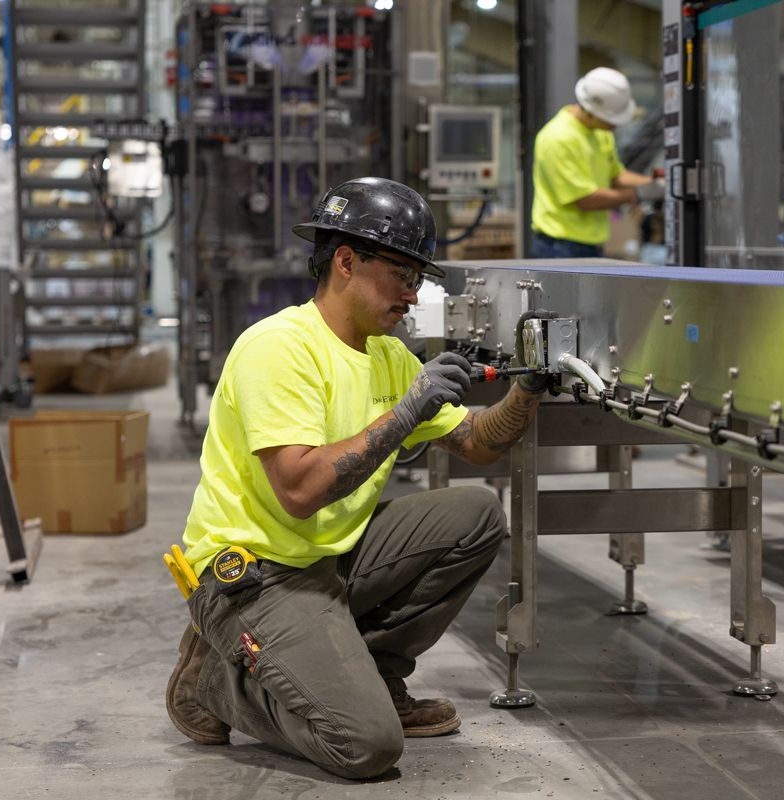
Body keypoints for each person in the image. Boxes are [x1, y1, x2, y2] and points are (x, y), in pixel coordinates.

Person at [165, 177, 551, 780]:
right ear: (346, 261)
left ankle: (376, 676)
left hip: (330, 557)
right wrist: (404, 414)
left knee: (474, 515)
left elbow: (478, 442)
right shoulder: (279, 348)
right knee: (367, 745)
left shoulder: (390, 356)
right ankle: (216, 681)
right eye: (402, 274)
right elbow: (298, 491)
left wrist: (529, 386)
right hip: (253, 575)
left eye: (417, 278)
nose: (412, 293)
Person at [531, 66, 665, 258]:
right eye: (611, 119)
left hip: (592, 243)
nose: (615, 124)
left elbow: (616, 175)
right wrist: (637, 193)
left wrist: (655, 184)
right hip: (559, 247)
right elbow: (585, 200)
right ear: (590, 112)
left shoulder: (600, 132)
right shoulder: (558, 139)